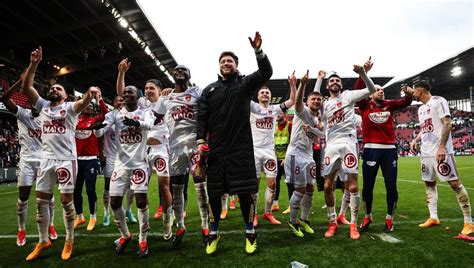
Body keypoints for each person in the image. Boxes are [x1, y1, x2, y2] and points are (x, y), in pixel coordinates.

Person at [197, 31, 272, 255]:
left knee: (245, 194)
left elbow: (266, 72)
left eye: (230, 60)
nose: (226, 63)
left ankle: (250, 233)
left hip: (241, 151)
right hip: (217, 152)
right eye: (223, 61)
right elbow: (202, 117)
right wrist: (200, 140)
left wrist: (258, 51)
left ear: (236, 65)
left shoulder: (245, 84)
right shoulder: (209, 90)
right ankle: (213, 233)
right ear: (219, 66)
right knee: (215, 194)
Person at [22, 46, 99, 261]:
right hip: (45, 160)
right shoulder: (43, 106)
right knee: (41, 202)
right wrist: (34, 64)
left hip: (66, 160)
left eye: (59, 89)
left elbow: (84, 102)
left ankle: (69, 239)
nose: (54, 90)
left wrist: (89, 92)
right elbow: (27, 86)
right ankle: (43, 240)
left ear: (65, 96)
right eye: (53, 87)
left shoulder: (71, 108)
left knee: (66, 201)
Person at [94, 84, 155, 258]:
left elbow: (149, 125)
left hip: (139, 164)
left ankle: (143, 239)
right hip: (120, 165)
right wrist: (98, 127)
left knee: (141, 202)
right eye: (125, 92)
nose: (127, 94)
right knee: (114, 202)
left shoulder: (145, 112)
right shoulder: (115, 114)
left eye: (131, 92)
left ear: (137, 96)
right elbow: (100, 132)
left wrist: (136, 122)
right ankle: (125, 235)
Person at [116, 59, 173, 240]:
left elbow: (177, 97)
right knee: (141, 189)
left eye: (151, 89)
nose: (148, 91)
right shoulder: (141, 103)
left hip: (161, 149)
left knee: (164, 186)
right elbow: (121, 93)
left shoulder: (164, 101)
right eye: (146, 88)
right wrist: (122, 73)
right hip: (143, 151)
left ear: (158, 90)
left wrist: (172, 92)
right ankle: (142, 223)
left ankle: (167, 219)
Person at [355, 59, 413, 233]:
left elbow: (405, 102)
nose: (381, 91)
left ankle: (389, 218)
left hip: (389, 150)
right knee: (368, 187)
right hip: (371, 149)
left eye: (382, 89)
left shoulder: (389, 104)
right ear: (371, 93)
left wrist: (409, 93)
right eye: (377, 89)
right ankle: (367, 216)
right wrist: (363, 73)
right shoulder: (364, 105)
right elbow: (358, 91)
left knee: (391, 187)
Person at [409, 81, 473, 235]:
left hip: (440, 151)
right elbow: (424, 129)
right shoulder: (421, 109)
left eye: (414, 91)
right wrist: (415, 140)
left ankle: (469, 222)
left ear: (420, 90)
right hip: (426, 153)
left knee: (454, 183)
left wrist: (442, 147)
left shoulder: (439, 101)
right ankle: (433, 217)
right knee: (429, 183)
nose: (413, 94)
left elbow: (447, 123)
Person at [321, 64, 376, 240]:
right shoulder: (324, 104)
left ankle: (353, 224)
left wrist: (362, 73)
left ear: (341, 85)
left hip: (349, 143)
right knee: (327, 186)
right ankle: (332, 222)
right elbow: (320, 123)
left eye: (337, 80)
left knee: (352, 186)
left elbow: (371, 89)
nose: (335, 82)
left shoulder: (348, 96)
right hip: (331, 146)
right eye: (332, 81)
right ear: (327, 86)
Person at [156, 64, 210, 247]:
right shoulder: (166, 98)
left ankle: (205, 226)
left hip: (195, 147)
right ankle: (180, 226)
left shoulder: (197, 92)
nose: (180, 72)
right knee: (177, 189)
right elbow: (155, 117)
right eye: (177, 70)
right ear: (172, 75)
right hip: (175, 149)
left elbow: (207, 112)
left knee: (200, 186)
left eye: (184, 70)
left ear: (189, 75)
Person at [1, 75, 58, 247]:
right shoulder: (22, 113)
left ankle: (51, 226)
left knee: (49, 197)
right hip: (26, 160)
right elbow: (4, 98)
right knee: (23, 196)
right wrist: (19, 82)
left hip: (44, 160)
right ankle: (21, 229)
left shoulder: (48, 116)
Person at [249, 73, 295, 226]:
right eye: (262, 92)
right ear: (258, 95)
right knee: (254, 185)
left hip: (269, 151)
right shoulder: (252, 106)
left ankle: (267, 213)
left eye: (267, 93)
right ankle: (253, 214)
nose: (264, 94)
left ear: (270, 96)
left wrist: (293, 85)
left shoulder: (275, 109)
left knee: (272, 183)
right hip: (254, 150)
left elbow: (292, 101)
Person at [285, 71, 323, 238]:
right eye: (312, 99)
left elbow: (320, 135)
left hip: (309, 155)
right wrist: (302, 84)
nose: (316, 101)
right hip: (295, 154)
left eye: (319, 99)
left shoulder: (318, 119)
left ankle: (304, 220)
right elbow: (299, 101)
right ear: (307, 102)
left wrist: (320, 80)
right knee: (299, 189)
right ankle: (292, 222)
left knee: (310, 189)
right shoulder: (303, 111)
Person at [73, 90, 109, 231]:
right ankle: (80, 217)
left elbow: (106, 114)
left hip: (91, 160)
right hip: (76, 160)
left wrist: (100, 100)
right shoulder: (75, 120)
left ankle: (93, 217)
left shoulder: (94, 120)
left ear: (93, 110)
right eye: (85, 105)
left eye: (90, 106)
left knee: (90, 189)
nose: (87, 107)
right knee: (76, 191)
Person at [274, 109, 292, 214]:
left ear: (285, 114)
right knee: (275, 182)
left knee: (290, 183)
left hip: (287, 159)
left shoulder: (290, 125)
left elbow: (293, 142)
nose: (277, 115)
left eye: (280, 113)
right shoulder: (273, 126)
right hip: (276, 158)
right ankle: (275, 204)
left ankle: (291, 205)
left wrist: (287, 157)